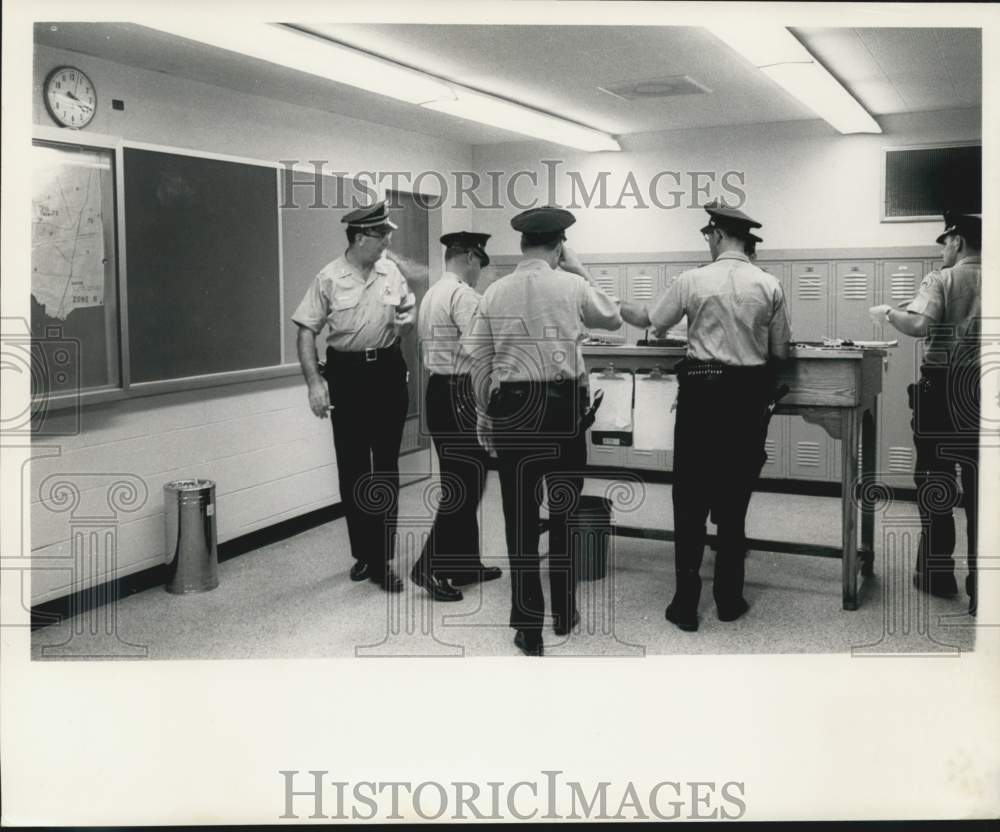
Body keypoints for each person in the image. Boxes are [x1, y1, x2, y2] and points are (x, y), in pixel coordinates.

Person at [620, 202, 791, 632]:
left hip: (701, 394)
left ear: (715, 235)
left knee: (689, 500)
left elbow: (654, 322)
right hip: (745, 400)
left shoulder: (691, 280)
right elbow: (781, 353)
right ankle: (729, 599)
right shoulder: (769, 284)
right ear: (744, 240)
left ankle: (684, 601)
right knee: (733, 504)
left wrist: (613, 302)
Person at [461, 207, 623, 656]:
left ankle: (528, 626)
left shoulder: (495, 291)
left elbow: (477, 359)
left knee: (519, 519)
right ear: (559, 245)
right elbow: (613, 319)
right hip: (563, 410)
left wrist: (483, 413)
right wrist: (580, 269)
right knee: (565, 512)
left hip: (513, 410)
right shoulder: (572, 286)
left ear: (520, 245)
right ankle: (565, 613)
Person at [291, 201, 416, 593]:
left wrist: (408, 320)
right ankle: (366, 554)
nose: (389, 241)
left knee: (386, 469)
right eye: (383, 235)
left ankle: (383, 557)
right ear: (362, 238)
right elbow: (306, 330)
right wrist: (314, 383)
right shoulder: (328, 278)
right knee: (354, 469)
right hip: (347, 375)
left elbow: (408, 309)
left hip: (388, 371)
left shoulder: (390, 270)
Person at [870, 211, 981, 615]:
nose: (942, 249)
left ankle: (937, 574)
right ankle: (981, 588)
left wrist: (887, 313)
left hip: (943, 386)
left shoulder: (943, 280)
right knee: (980, 486)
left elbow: (918, 326)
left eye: (944, 241)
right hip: (984, 389)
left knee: (935, 479)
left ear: (958, 241)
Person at [410, 231, 502, 602]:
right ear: (468, 257)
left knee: (464, 480)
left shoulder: (433, 292)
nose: (479, 269)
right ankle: (429, 566)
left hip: (439, 391)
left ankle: (465, 563)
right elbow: (479, 348)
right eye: (479, 261)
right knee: (465, 485)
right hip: (462, 391)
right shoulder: (463, 295)